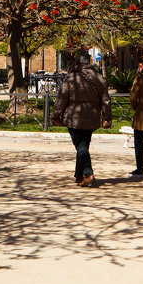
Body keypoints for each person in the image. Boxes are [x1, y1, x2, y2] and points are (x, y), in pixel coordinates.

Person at [51, 50, 111, 187]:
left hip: (74, 117)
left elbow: (61, 99)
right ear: (89, 61)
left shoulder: (71, 78)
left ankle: (88, 174)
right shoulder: (98, 77)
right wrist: (107, 117)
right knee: (83, 145)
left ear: (77, 62)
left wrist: (55, 116)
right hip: (92, 117)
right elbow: (106, 100)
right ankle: (79, 176)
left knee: (81, 146)